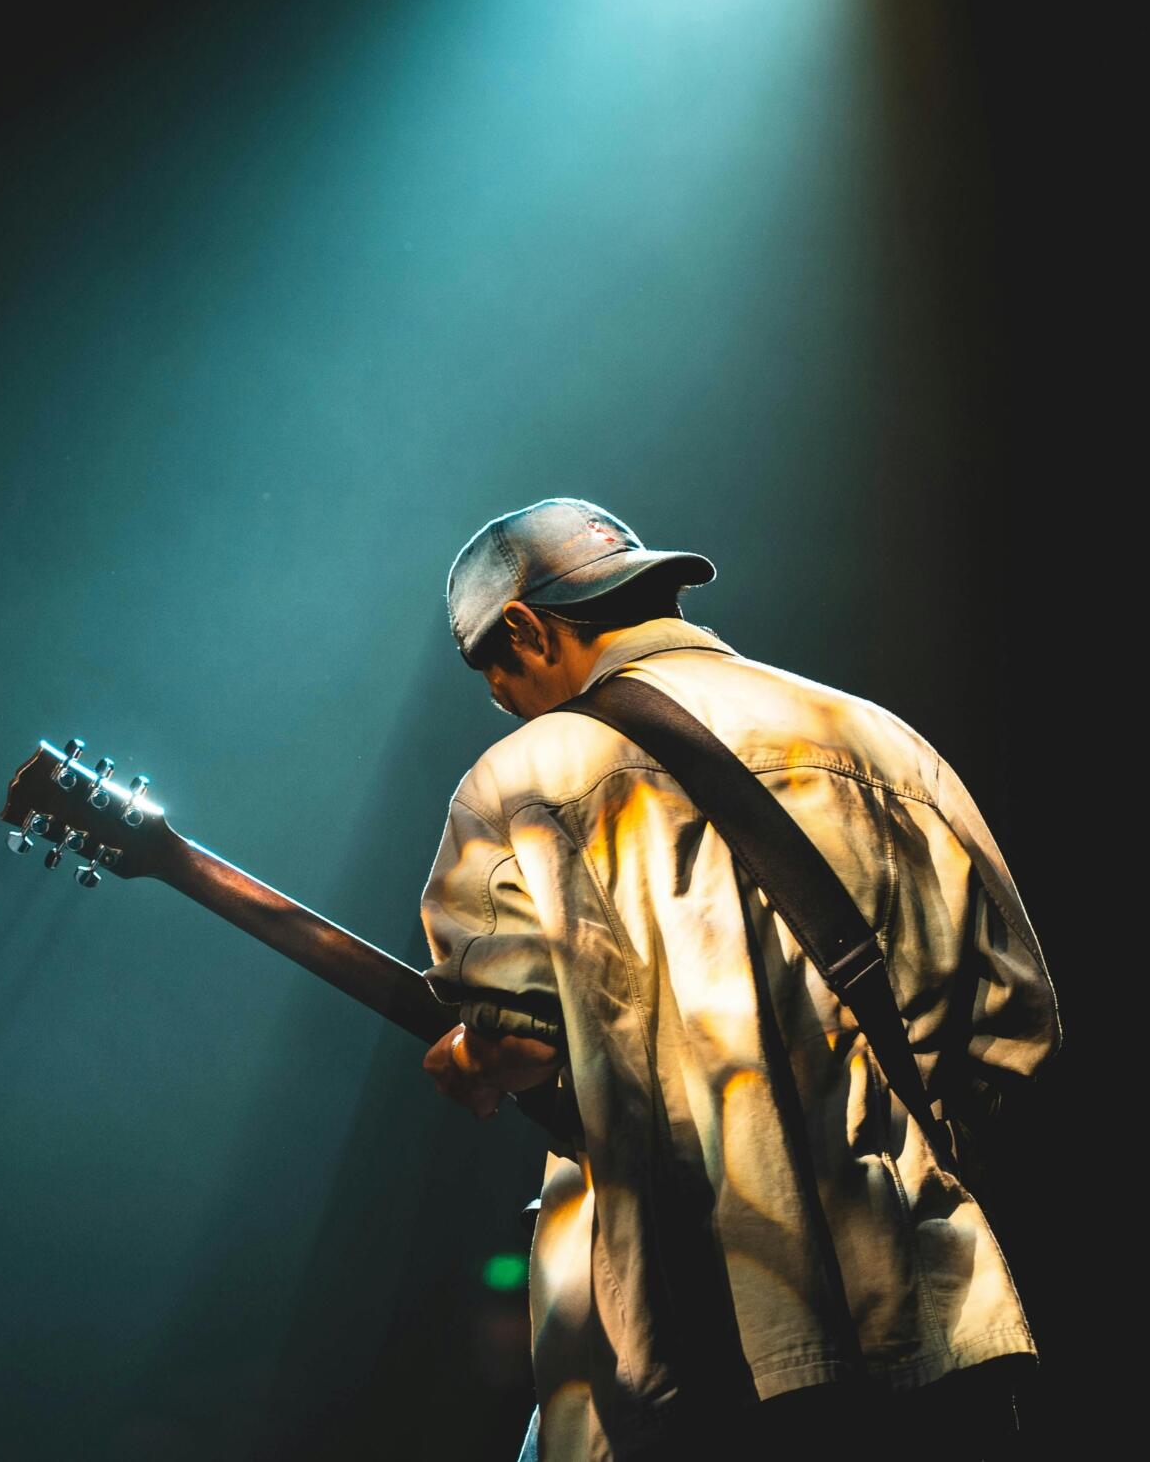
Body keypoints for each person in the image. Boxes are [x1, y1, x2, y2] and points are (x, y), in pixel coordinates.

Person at [416, 498, 1061, 1460]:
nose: (507, 704)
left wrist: (471, 1056)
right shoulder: (880, 739)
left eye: (497, 680)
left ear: (524, 629)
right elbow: (1016, 1025)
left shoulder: (519, 781)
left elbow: (520, 1041)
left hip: (698, 1354)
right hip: (933, 1325)